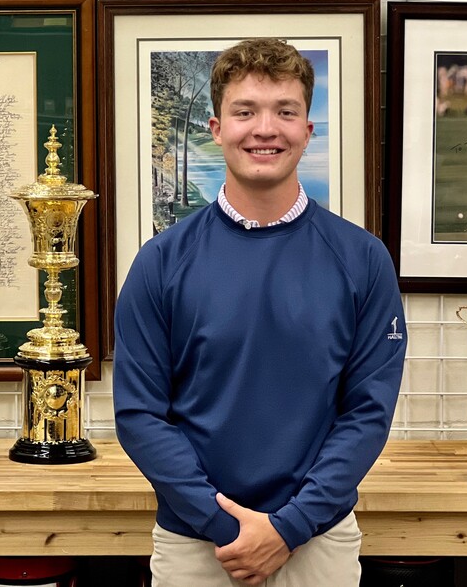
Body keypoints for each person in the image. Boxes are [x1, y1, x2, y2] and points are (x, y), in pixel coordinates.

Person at [113, 38, 406, 587]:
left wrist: (289, 527)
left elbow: (366, 414)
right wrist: (225, 527)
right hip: (195, 546)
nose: (265, 129)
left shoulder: (363, 259)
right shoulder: (160, 262)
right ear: (217, 127)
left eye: (285, 112)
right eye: (245, 111)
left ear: (308, 130)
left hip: (317, 542)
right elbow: (141, 415)